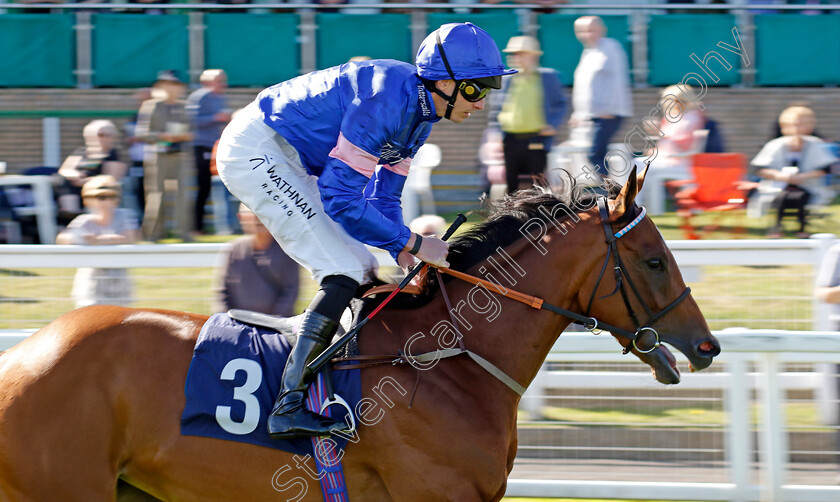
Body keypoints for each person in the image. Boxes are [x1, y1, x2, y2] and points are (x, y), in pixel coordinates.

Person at [215, 22, 516, 439]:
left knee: (360, 263)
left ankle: (330, 380)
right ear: (444, 81)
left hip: (293, 157)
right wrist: (410, 241)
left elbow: (382, 200)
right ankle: (287, 405)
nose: (482, 103)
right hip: (256, 149)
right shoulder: (386, 101)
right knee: (344, 268)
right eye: (476, 89)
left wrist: (402, 249)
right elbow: (340, 199)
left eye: (489, 89)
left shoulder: (421, 116)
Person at [487, 35, 567, 194]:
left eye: (519, 53)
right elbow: (495, 110)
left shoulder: (547, 77)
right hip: (510, 139)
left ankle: (538, 217)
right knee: (512, 184)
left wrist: (553, 124)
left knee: (537, 185)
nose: (514, 58)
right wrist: (494, 135)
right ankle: (514, 218)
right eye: (512, 54)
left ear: (532, 55)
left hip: (536, 138)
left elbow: (562, 103)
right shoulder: (506, 78)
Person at [750, 105, 838, 238]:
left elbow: (827, 168)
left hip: (806, 185)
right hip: (780, 185)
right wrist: (780, 176)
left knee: (799, 197)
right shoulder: (775, 145)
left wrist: (804, 176)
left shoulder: (815, 145)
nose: (796, 129)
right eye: (792, 125)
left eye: (801, 125)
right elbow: (759, 168)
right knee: (783, 197)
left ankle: (802, 227)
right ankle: (777, 227)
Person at [55, 175, 140, 308]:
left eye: (109, 197)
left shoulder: (124, 215)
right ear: (87, 200)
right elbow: (63, 238)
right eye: (98, 197)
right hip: (91, 279)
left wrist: (96, 240)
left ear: (117, 199)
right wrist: (81, 238)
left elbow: (131, 237)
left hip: (119, 278)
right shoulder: (84, 220)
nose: (103, 202)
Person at [569, 15, 633, 179]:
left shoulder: (610, 49)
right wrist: (578, 113)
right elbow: (585, 88)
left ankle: (610, 192)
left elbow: (616, 82)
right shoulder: (589, 52)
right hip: (592, 116)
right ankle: (607, 190)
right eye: (583, 31)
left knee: (595, 154)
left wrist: (608, 109)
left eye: (592, 30)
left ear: (601, 30)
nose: (588, 34)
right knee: (591, 154)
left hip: (607, 114)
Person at [136, 70, 194, 242]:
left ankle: (184, 234)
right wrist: (162, 136)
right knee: (156, 196)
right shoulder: (151, 106)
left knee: (183, 195)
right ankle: (153, 234)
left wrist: (181, 136)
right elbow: (142, 133)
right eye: (168, 84)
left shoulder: (184, 106)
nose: (171, 88)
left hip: (180, 154)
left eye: (175, 85)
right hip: (158, 156)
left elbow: (192, 133)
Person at [212, 204, 300, 316]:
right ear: (240, 218)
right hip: (238, 325)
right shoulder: (233, 250)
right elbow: (222, 293)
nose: (257, 218)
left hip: (275, 327)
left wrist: (275, 322)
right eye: (252, 214)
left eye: (261, 213)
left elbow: (291, 291)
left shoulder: (286, 251)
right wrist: (226, 321)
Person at [186, 69, 233, 236]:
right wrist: (215, 117)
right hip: (202, 146)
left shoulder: (220, 98)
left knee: (216, 187)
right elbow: (192, 120)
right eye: (219, 80)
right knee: (203, 187)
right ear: (207, 82)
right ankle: (197, 226)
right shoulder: (200, 97)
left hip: (215, 146)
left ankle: (220, 225)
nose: (223, 84)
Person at [57, 119, 126, 221]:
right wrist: (75, 176)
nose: (101, 138)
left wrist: (87, 181)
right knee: (63, 181)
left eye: (105, 135)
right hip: (74, 185)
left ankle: (73, 216)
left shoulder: (113, 155)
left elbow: (111, 177)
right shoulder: (81, 152)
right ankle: (70, 214)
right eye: (99, 134)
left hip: (97, 188)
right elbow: (65, 169)